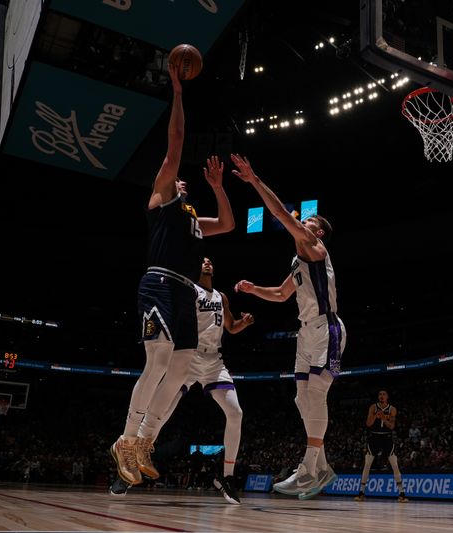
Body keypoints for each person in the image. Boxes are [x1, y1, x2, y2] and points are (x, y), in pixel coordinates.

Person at [109, 58, 235, 488]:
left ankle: (145, 440)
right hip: (159, 282)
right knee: (158, 359)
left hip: (185, 295)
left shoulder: (194, 218)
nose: (180, 178)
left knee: (181, 370)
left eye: (182, 180)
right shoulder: (162, 199)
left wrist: (218, 187)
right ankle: (126, 439)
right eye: (175, 176)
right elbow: (176, 142)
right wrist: (178, 94)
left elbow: (230, 225)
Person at [231, 153, 345, 501]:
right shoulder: (300, 260)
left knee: (316, 394)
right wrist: (254, 290)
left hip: (328, 329)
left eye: (308, 221)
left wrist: (254, 181)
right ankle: (322, 466)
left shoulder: (315, 247)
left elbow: (281, 214)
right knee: (300, 396)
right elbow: (282, 294)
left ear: (318, 231)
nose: (303, 223)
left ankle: (309, 468)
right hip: (306, 332)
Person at [111, 257, 254, 504]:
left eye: (210, 261)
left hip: (213, 362)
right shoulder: (188, 290)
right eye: (202, 261)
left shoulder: (222, 297)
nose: (207, 263)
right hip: (188, 357)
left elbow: (229, 327)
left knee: (236, 413)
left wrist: (244, 323)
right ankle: (127, 471)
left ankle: (227, 477)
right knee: (162, 414)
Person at [354, 390, 409, 503]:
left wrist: (383, 418)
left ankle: (402, 493)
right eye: (380, 394)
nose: (381, 396)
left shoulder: (392, 409)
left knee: (394, 464)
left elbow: (392, 426)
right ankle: (361, 492)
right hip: (374, 437)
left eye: (384, 394)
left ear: (387, 397)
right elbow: (368, 424)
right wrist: (375, 415)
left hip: (386, 438)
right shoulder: (373, 407)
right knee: (367, 464)